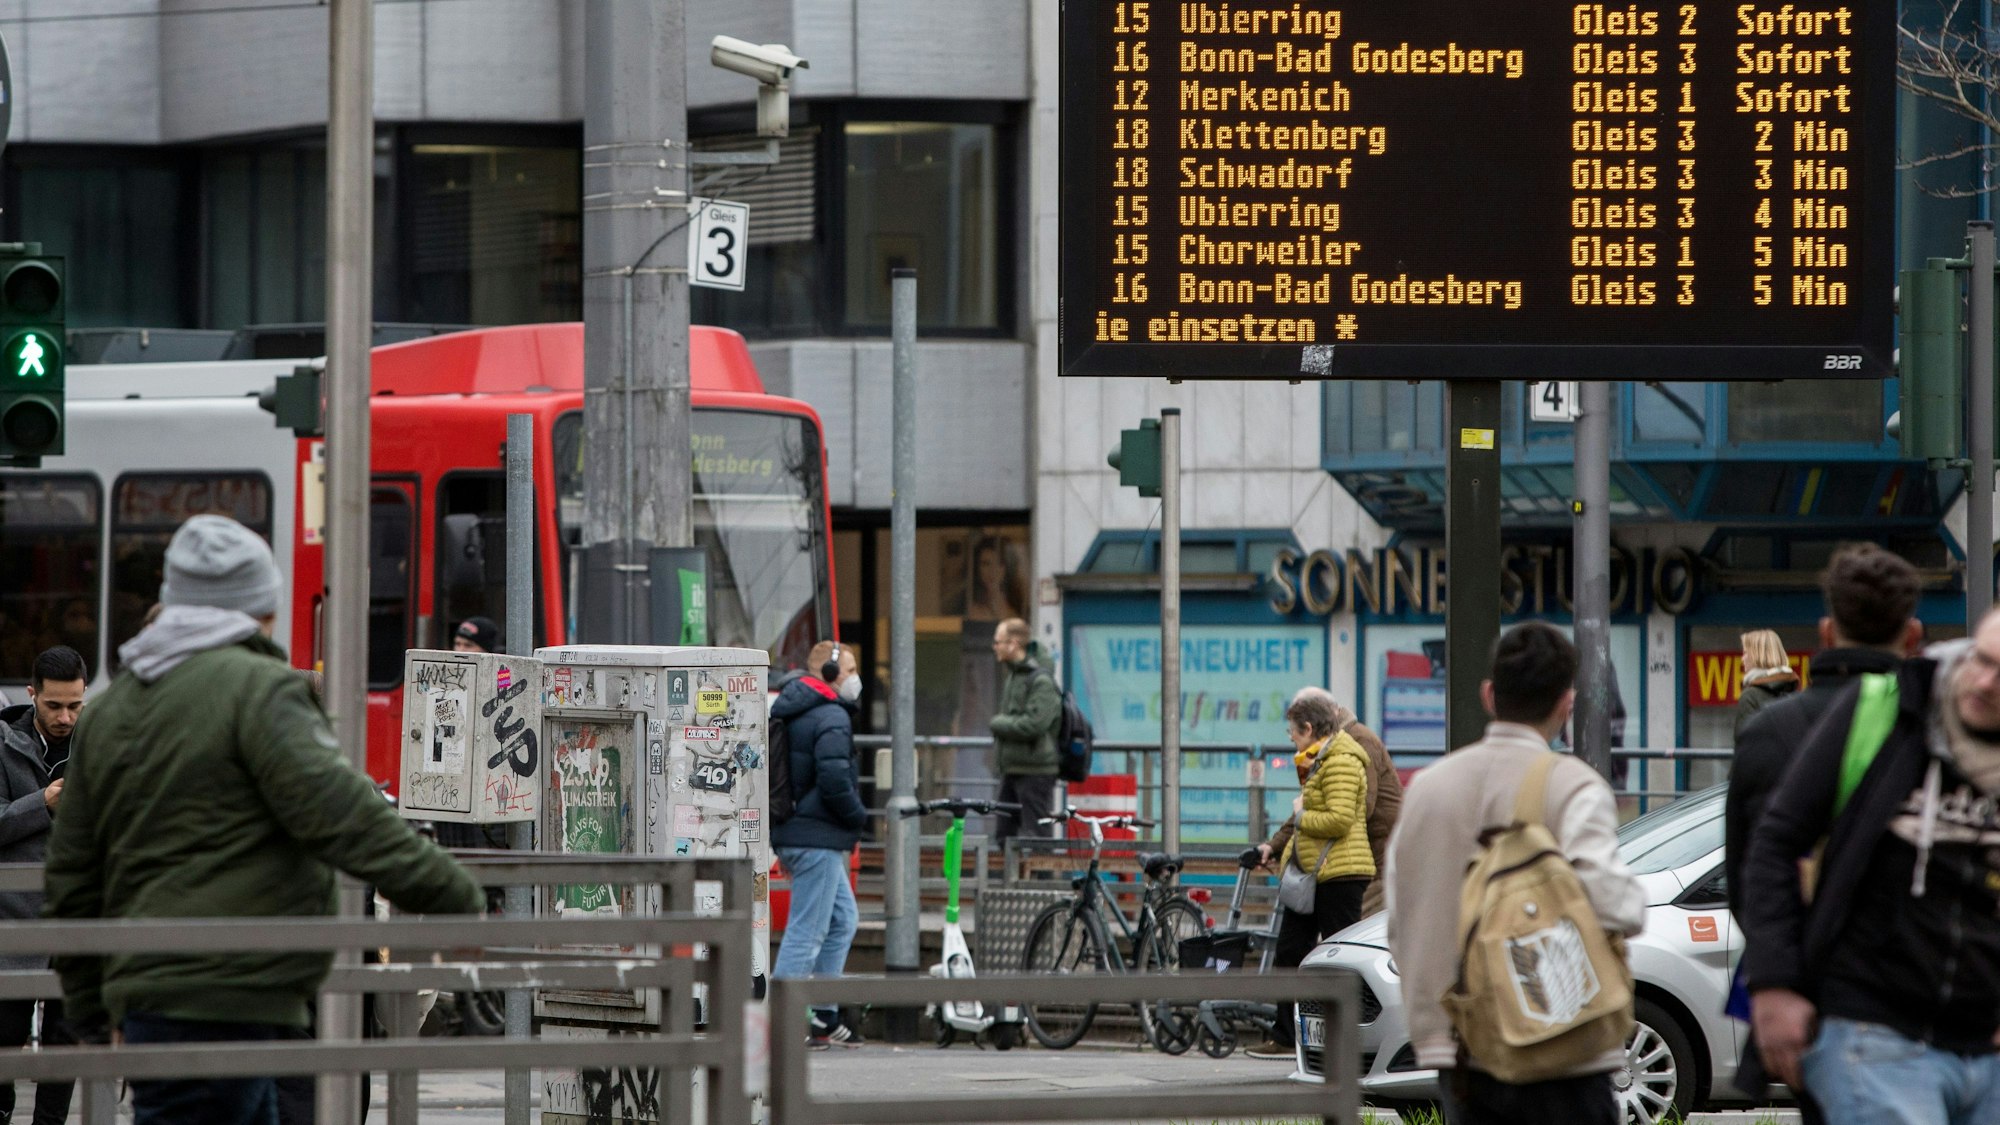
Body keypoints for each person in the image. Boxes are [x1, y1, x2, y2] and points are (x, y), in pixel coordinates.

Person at [45, 514, 486, 1125]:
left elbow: (72, 873)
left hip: (146, 994)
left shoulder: (111, 710)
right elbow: (343, 813)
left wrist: (91, 1011)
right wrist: (454, 896)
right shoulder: (261, 689)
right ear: (259, 609)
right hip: (240, 990)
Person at [1741, 609, 2000, 1125]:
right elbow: (1775, 840)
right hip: (1874, 1026)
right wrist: (1773, 984)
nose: (1985, 683)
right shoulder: (1888, 710)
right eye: (1982, 660)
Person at [1385, 623, 1644, 1124]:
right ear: (1566, 703)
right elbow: (1611, 902)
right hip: (1564, 1046)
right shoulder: (1573, 787)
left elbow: (1401, 915)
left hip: (1458, 1050)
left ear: (1489, 695)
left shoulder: (1426, 789)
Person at [1726, 544, 1920, 928]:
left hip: (1796, 965)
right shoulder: (1931, 729)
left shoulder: (1766, 731)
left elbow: (1744, 881)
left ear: (1826, 634)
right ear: (1912, 637)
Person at [1245, 691, 1375, 1060]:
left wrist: (1302, 816)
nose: (1289, 738)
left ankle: (1348, 1037)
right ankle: (1286, 1035)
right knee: (1290, 951)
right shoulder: (1318, 760)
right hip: (1314, 875)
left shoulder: (1342, 760)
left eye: (1293, 731)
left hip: (1341, 874)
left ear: (1308, 728)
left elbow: (1340, 818)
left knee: (1340, 958)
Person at [0, 646, 86, 1125]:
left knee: (64, 1051)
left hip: (76, 925)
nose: (65, 717)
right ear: (32, 694)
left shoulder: (101, 744)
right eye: (54, 705)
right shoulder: (5, 743)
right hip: (14, 924)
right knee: (5, 1045)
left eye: (75, 705)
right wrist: (43, 803)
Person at [770, 640, 869, 1050]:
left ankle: (824, 1015)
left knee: (843, 920)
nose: (854, 679)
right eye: (848, 670)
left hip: (799, 833)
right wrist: (858, 817)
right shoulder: (830, 715)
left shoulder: (796, 707)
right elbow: (833, 779)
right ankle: (777, 1024)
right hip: (816, 838)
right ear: (829, 675)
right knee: (807, 934)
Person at [1257, 686, 1402, 918]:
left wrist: (1307, 822)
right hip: (1343, 865)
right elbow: (1311, 807)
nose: (1293, 737)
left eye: (1297, 728)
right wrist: (1275, 845)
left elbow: (1359, 809)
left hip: (1374, 864)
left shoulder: (1354, 744)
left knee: (1348, 940)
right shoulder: (1326, 748)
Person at [988, 618, 1061, 842]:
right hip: (1012, 767)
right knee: (1004, 835)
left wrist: (998, 723)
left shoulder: (1040, 680)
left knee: (1037, 838)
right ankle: (1010, 878)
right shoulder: (1014, 675)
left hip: (1035, 771)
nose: (995, 647)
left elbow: (1035, 724)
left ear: (1013, 644)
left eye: (998, 642)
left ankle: (1040, 878)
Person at [1734, 629, 1800, 738]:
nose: (1742, 659)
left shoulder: (1750, 696)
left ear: (1757, 655)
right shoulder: (1794, 693)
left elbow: (1744, 744)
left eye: (1745, 653)